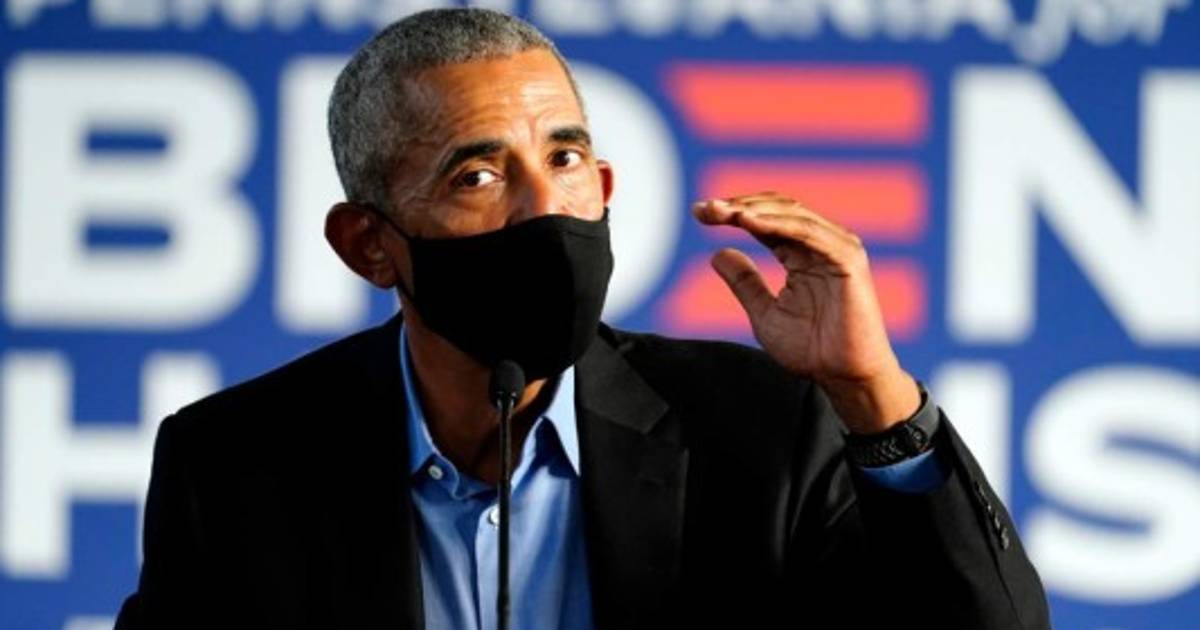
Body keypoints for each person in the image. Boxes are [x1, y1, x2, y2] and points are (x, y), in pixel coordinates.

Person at [115, 8, 1050, 630]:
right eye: (478, 175)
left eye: (565, 160)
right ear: (369, 244)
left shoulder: (765, 429)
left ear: (603, 184)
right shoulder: (237, 465)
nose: (545, 209)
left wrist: (874, 397)